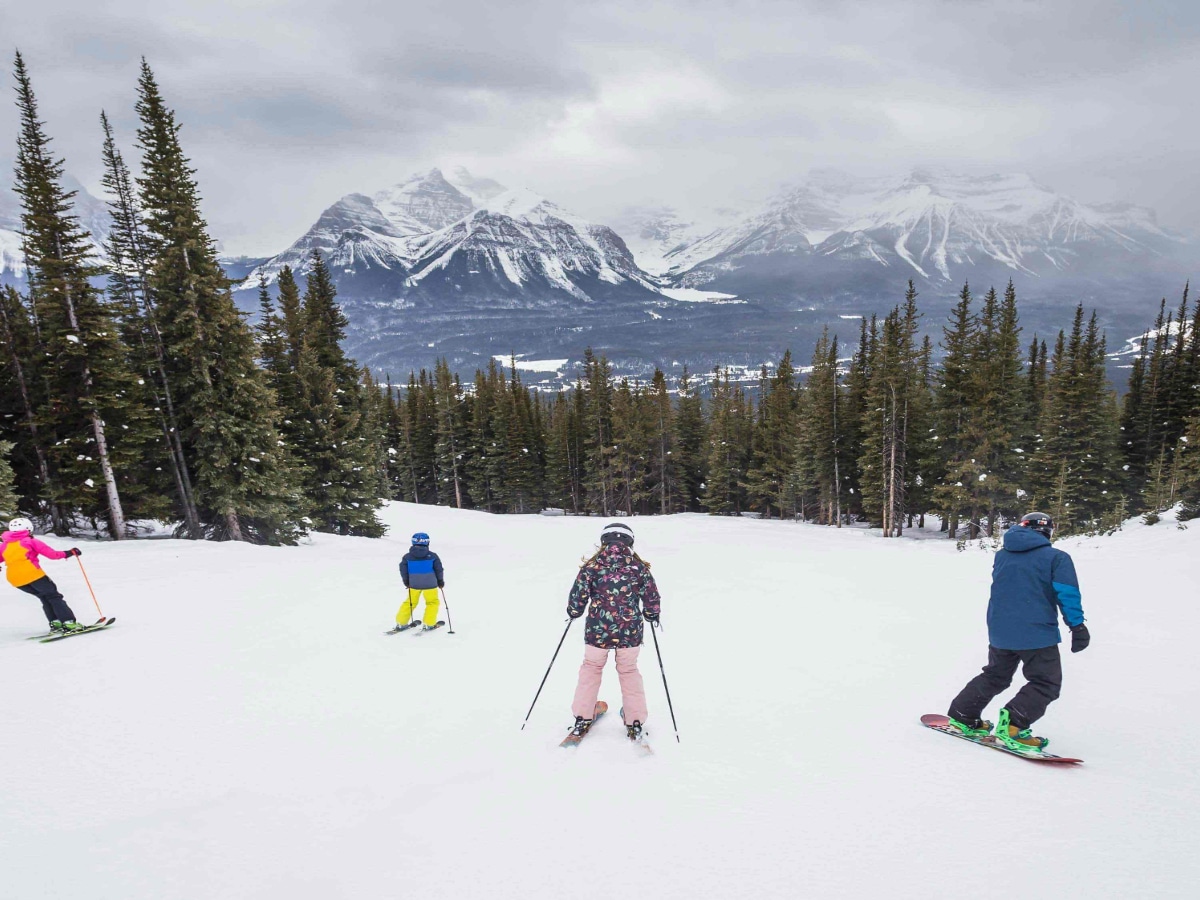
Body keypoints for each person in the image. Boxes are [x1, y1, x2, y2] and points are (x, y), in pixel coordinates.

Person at [947, 511, 1091, 750]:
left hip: (1000, 630)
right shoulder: (1057, 557)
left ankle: (963, 714)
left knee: (995, 675)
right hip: (1036, 632)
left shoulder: (1003, 555)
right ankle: (1013, 726)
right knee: (1046, 683)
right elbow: (1067, 594)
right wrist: (1077, 625)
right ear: (1047, 531)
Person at [566, 522, 661, 742]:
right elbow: (651, 596)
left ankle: (583, 715)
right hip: (630, 632)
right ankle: (634, 719)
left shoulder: (592, 566)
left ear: (604, 542)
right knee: (629, 671)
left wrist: (574, 611)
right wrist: (651, 613)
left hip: (597, 631)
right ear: (630, 542)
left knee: (591, 668)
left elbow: (577, 596)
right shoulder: (638, 568)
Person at [2, 518, 85, 633]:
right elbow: (53, 555)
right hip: (33, 575)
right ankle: (69, 623)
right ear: (29, 528)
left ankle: (55, 623)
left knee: (44, 597)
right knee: (53, 597)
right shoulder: (30, 541)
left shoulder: (5, 545)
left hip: (15, 580)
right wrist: (70, 552)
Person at [397, 532, 444, 631]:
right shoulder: (433, 556)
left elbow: (403, 570)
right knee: (432, 603)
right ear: (427, 542)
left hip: (414, 584)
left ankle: (401, 623)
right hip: (430, 584)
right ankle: (429, 623)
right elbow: (439, 570)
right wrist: (440, 581)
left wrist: (406, 582)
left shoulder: (407, 557)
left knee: (410, 602)